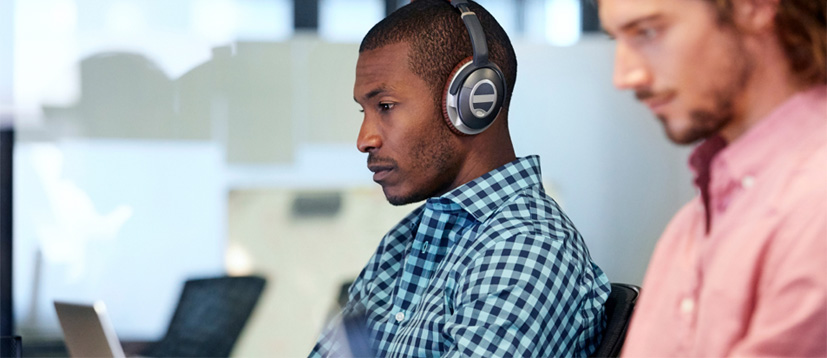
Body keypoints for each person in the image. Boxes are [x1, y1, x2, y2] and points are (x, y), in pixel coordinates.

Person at [310, 0, 611, 357]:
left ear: (473, 101)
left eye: (386, 107)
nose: (365, 140)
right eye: (365, 111)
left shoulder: (524, 248)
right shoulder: (406, 241)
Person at [600, 0, 826, 356]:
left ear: (753, 7)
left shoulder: (813, 208)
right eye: (617, 39)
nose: (625, 77)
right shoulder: (694, 221)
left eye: (647, 32)